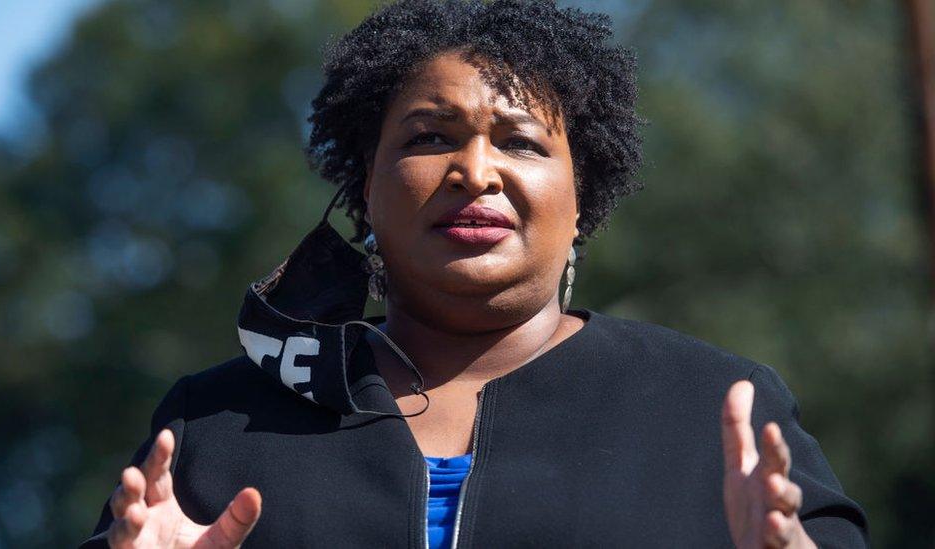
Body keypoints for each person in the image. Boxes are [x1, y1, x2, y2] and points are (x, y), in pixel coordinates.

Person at [81, 0, 868, 547]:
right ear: (365, 186)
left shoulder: (714, 410)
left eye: (521, 142)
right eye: (430, 137)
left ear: (581, 194)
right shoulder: (215, 424)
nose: (474, 171)